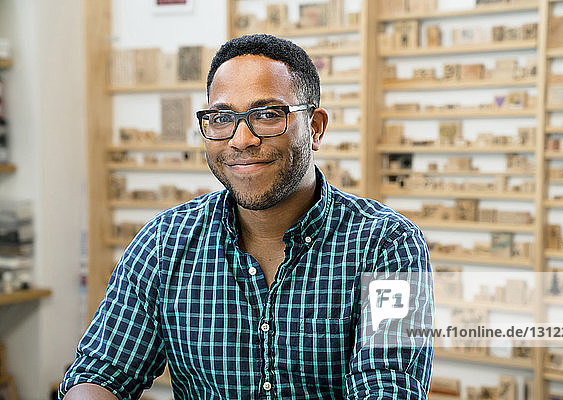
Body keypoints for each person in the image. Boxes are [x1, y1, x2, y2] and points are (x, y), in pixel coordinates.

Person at [59, 34, 433, 399]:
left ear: (315, 128)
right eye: (222, 117)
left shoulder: (388, 245)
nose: (241, 139)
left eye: (268, 114)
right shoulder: (164, 243)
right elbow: (102, 371)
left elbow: (387, 387)